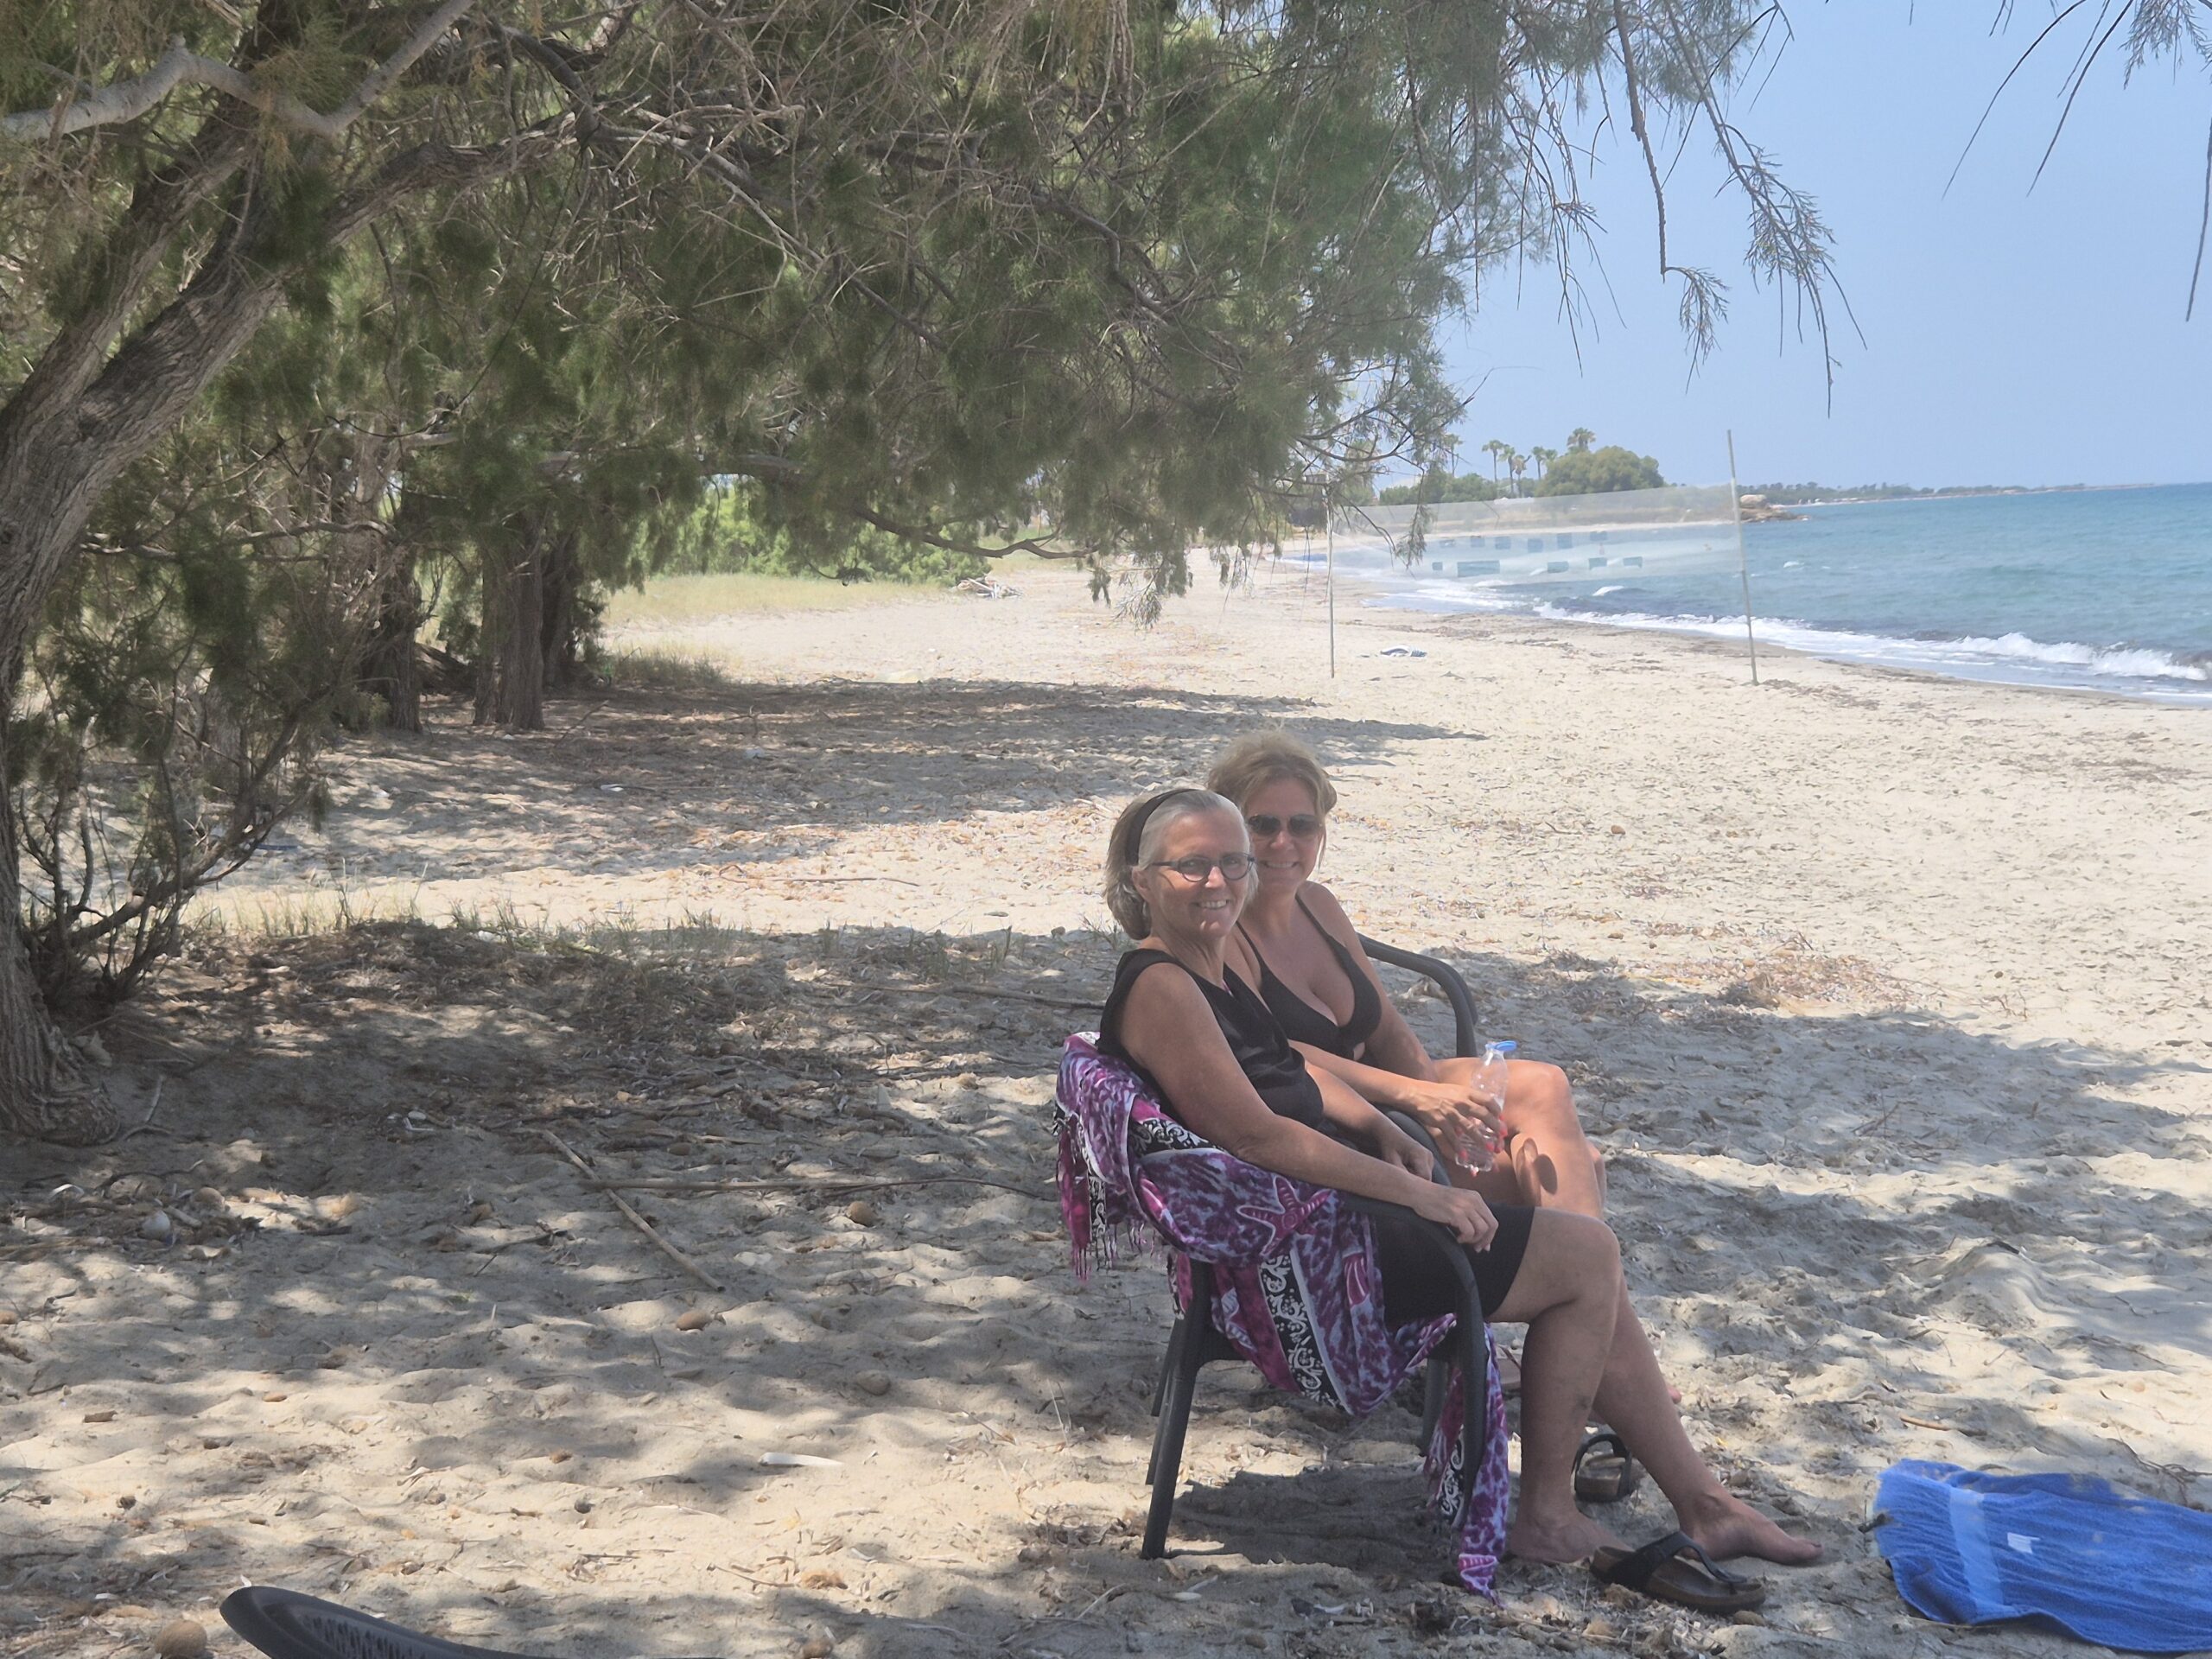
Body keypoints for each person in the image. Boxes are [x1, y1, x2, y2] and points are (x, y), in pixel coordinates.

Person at [1096, 787, 1820, 1572]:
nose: (1219, 882)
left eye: (1231, 864)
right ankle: (1554, 1516)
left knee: (1576, 1225)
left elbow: (1290, 1072)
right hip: (1309, 1266)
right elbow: (1255, 1133)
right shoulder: (1164, 986)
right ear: (1142, 881)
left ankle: (1705, 1506)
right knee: (1587, 1259)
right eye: (1192, 866)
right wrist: (1418, 1190)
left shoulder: (1206, 967)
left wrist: (1382, 1129)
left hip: (1326, 1224)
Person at [1206, 731, 1605, 1218]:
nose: (1283, 842)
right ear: (1230, 830)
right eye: (1263, 824)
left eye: (1302, 825)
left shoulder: (1319, 904)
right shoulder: (1223, 930)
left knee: (1546, 1086)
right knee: (1580, 1165)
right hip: (1339, 1119)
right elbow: (1277, 1055)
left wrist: (1437, 1109)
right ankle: (1579, 1257)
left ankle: (1575, 1255)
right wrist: (1419, 1098)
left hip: (1393, 1089)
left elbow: (1388, 1028)